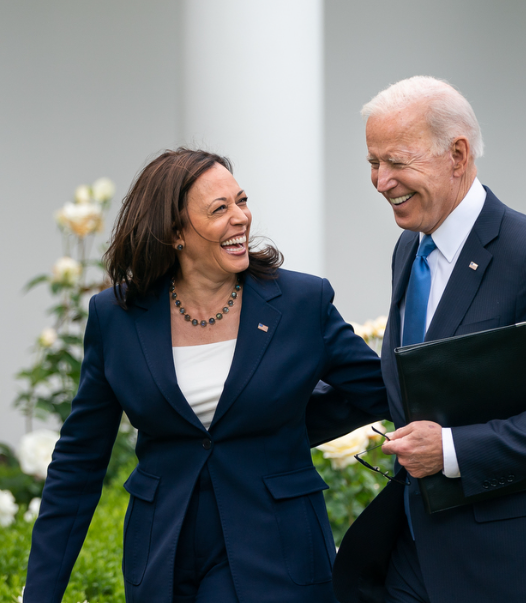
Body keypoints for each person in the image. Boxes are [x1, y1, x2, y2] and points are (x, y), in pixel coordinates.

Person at [331, 76, 526, 602]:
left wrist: (452, 450)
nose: (381, 180)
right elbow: (415, 383)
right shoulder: (409, 250)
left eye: (396, 162)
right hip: (416, 559)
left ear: (457, 155)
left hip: (514, 567)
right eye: (373, 162)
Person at [22, 148, 389, 603]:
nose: (241, 218)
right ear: (175, 232)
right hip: (163, 557)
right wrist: (40, 593)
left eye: (241, 201)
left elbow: (379, 391)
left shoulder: (299, 301)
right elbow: (79, 461)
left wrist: (290, 426)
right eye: (220, 209)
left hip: (276, 553)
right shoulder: (115, 316)